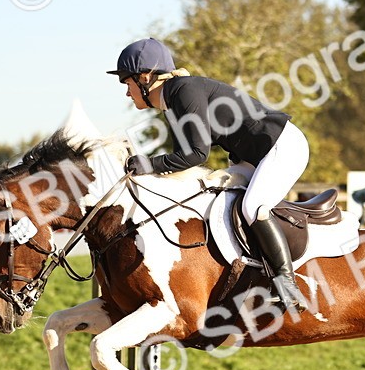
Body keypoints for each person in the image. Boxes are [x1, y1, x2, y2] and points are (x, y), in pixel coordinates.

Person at [109, 37, 308, 311]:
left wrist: (149, 165)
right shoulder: (173, 99)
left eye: (126, 83)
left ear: (144, 77)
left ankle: (288, 286)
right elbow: (184, 159)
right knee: (212, 199)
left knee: (253, 207)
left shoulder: (183, 91)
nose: (127, 93)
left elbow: (194, 155)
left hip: (280, 146)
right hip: (251, 157)